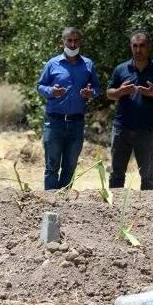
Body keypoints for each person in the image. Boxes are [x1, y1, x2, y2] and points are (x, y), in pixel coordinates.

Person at [106, 30, 153, 190]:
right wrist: (120, 91)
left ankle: (149, 213)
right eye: (135, 46)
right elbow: (109, 94)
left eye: (142, 46)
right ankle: (113, 211)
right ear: (130, 47)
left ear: (148, 47)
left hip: (146, 131)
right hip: (121, 129)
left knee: (148, 176)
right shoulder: (121, 69)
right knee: (116, 173)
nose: (138, 50)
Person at [37, 27, 101, 190]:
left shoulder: (88, 64)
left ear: (80, 42)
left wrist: (89, 93)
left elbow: (96, 88)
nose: (73, 44)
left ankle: (64, 204)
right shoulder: (53, 63)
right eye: (69, 40)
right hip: (54, 122)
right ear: (63, 42)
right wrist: (52, 91)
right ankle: (50, 203)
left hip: (76, 123)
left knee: (70, 167)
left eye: (76, 40)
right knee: (52, 166)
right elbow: (40, 86)